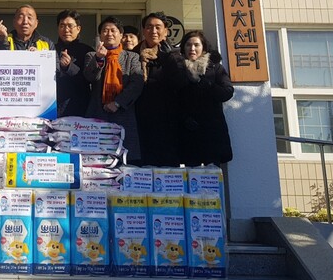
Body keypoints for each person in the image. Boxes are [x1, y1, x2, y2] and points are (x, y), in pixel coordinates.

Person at [163, 30, 234, 167]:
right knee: (191, 173)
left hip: (211, 131)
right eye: (188, 45)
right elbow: (170, 99)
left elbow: (227, 92)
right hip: (186, 130)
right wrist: (183, 118)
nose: (192, 48)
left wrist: (205, 83)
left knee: (213, 174)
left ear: (204, 47)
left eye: (196, 45)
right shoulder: (177, 69)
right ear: (183, 48)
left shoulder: (215, 68)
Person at [83, 16, 144, 163]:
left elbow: (136, 83)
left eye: (113, 30)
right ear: (100, 35)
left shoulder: (132, 57)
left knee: (126, 160)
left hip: (123, 113)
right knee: (96, 161)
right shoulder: (92, 55)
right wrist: (99, 59)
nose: (109, 34)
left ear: (121, 35)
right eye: (105, 30)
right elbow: (89, 77)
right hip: (97, 114)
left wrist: (117, 103)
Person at [134, 12, 180, 166]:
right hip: (139, 118)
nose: (153, 31)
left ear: (166, 31)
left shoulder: (175, 55)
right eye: (149, 27)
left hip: (167, 120)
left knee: (167, 167)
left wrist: (168, 59)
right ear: (143, 31)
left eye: (158, 27)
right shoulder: (133, 54)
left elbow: (180, 82)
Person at [54, 9, 94, 117]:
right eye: (62, 26)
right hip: (53, 106)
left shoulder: (88, 51)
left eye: (70, 26)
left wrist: (69, 67)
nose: (66, 30)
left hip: (80, 106)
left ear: (78, 29)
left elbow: (90, 79)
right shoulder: (50, 49)